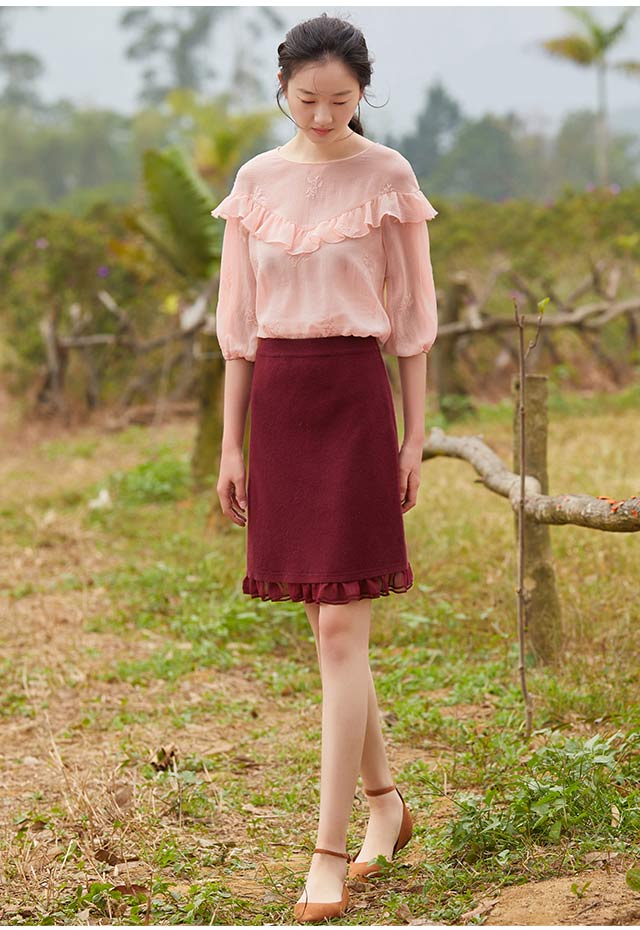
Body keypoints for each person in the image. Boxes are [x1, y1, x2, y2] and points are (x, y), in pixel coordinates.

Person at [212, 13, 438, 923]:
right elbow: (238, 330)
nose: (321, 115)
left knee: (342, 629)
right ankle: (388, 805)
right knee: (323, 623)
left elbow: (413, 324)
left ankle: (327, 854)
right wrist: (231, 444)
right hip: (278, 405)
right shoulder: (254, 183)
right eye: (306, 98)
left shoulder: (388, 176)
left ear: (362, 93)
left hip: (354, 400)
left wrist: (414, 437)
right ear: (282, 88)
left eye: (340, 100)